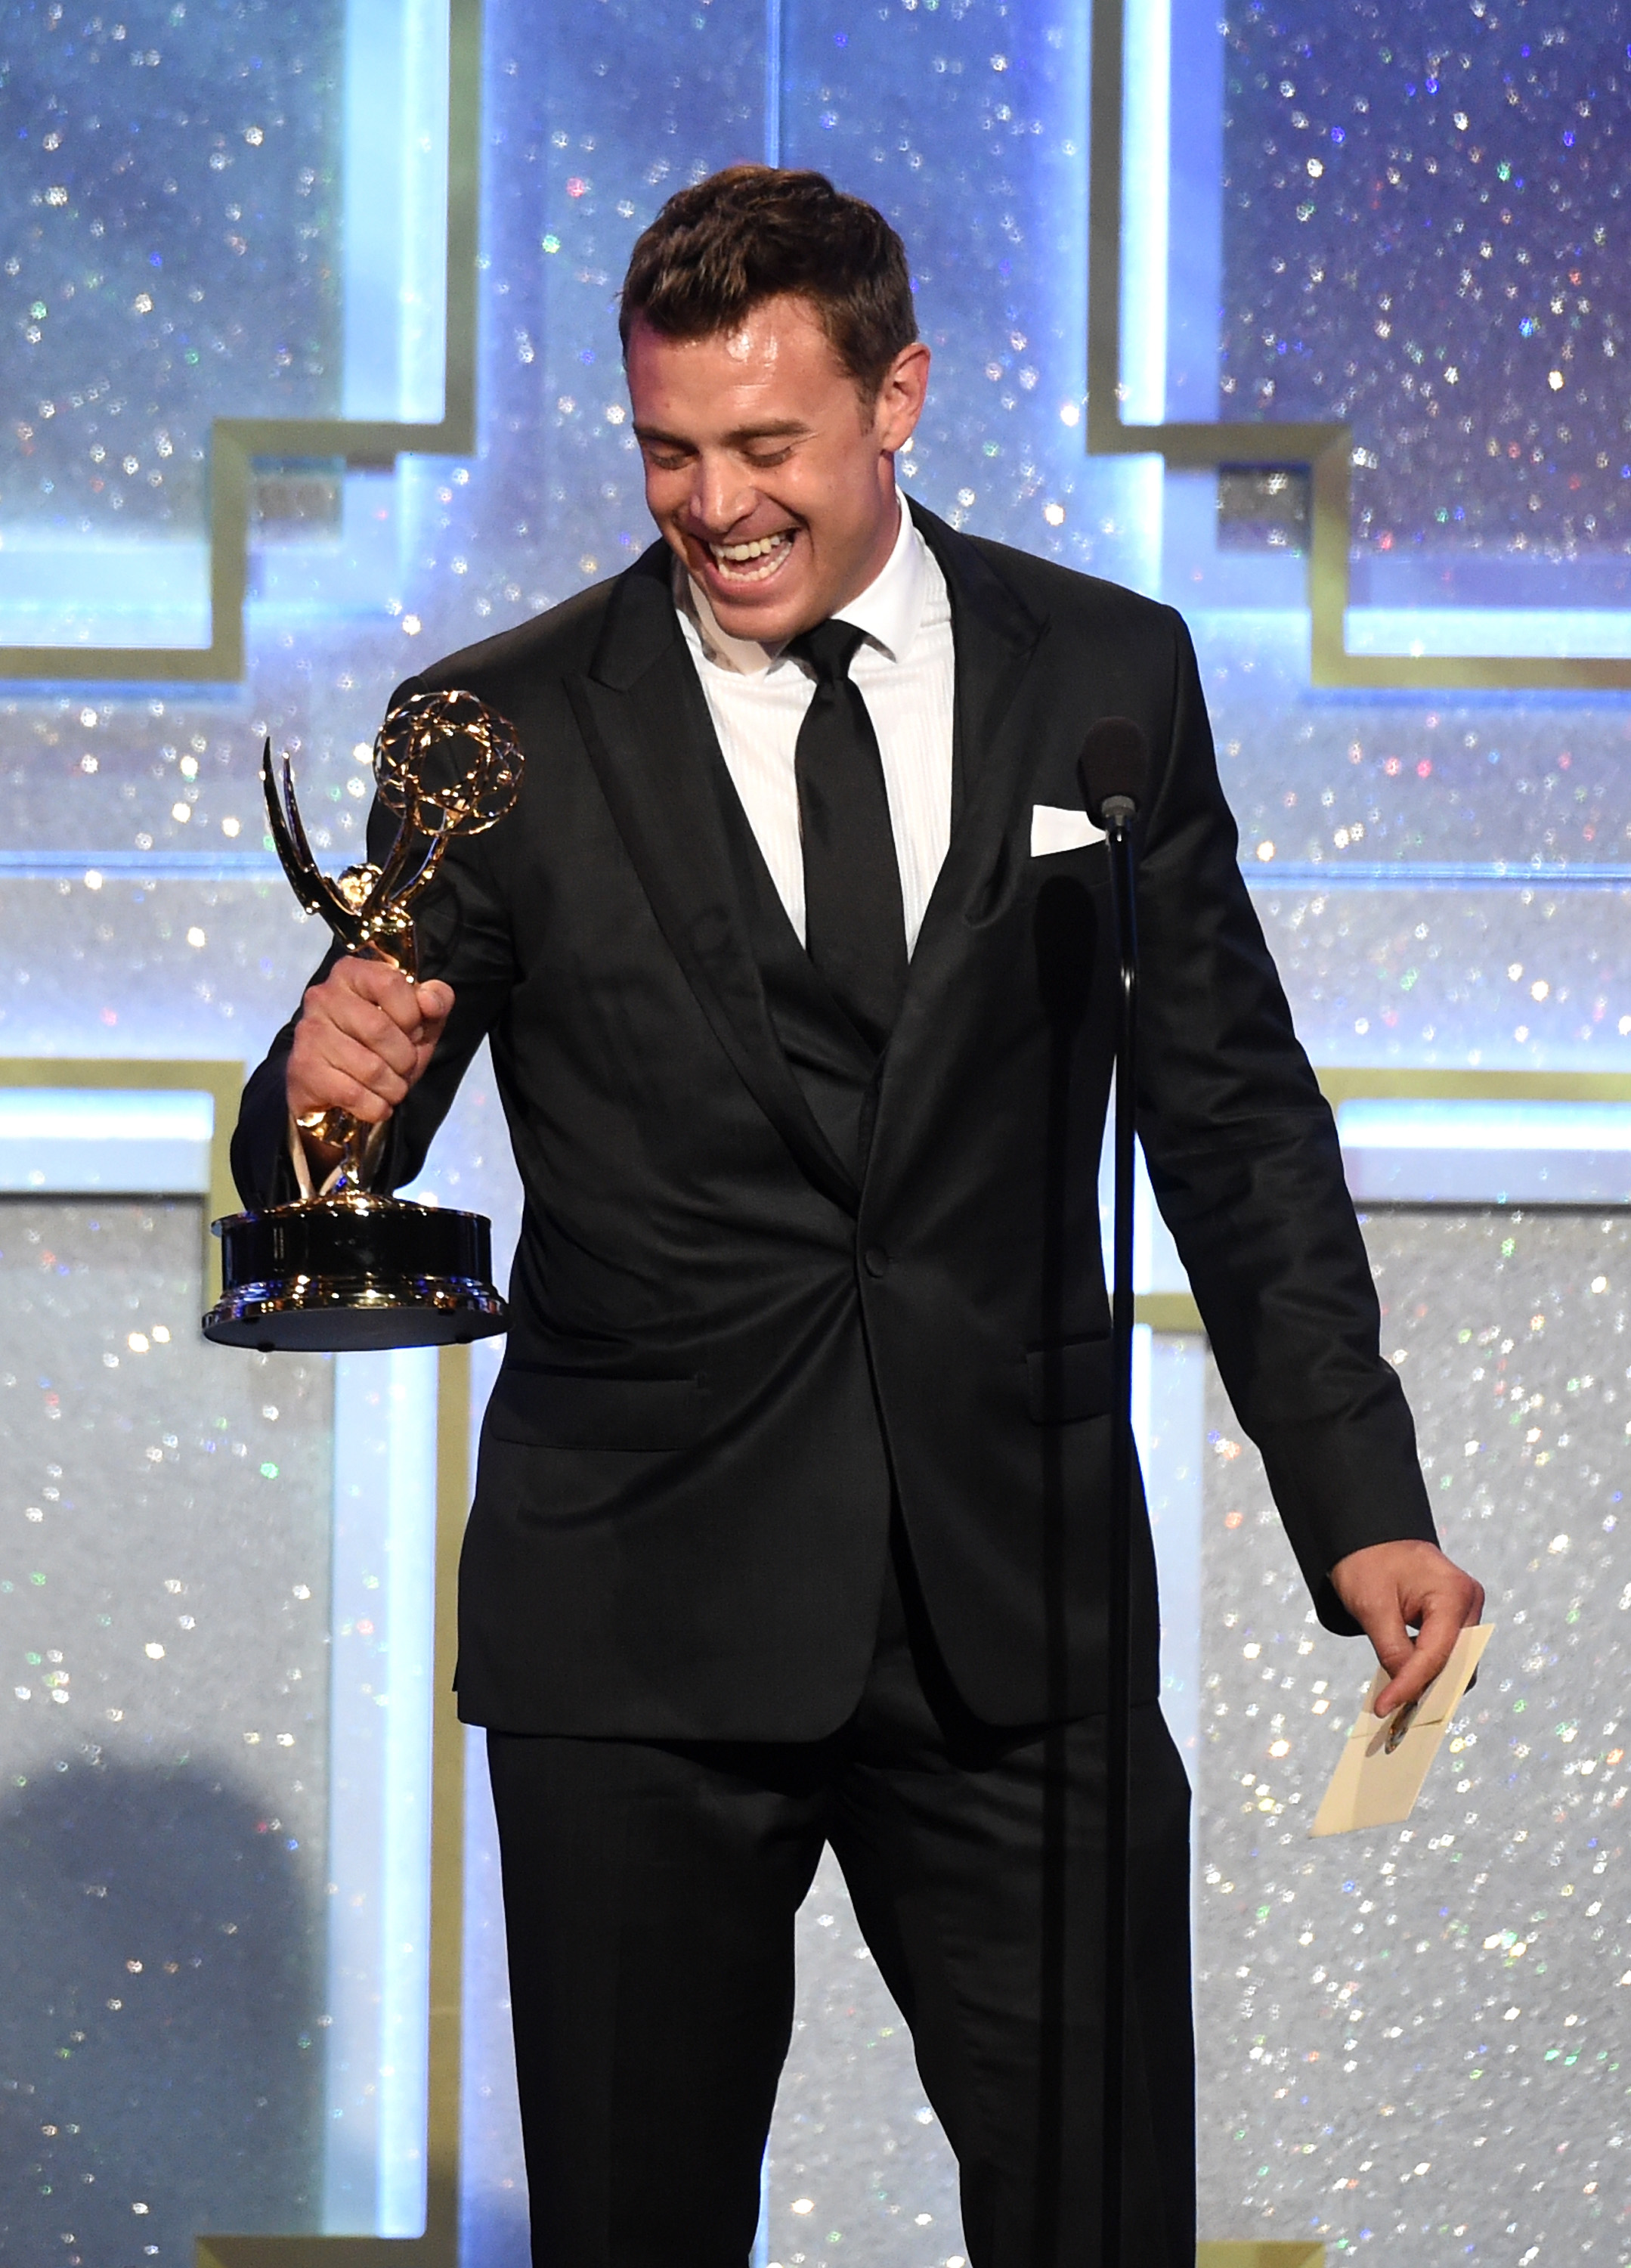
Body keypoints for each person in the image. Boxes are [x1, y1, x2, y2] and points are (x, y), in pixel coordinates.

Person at [232, 166, 1484, 2266]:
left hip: (1022, 1605)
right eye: (664, 453)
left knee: (1098, 2220)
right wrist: (310, 1095)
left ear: (895, 396)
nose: (711, 507)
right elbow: (355, 1120)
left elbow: (1234, 1118)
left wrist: (1358, 1497)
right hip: (638, 1620)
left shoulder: (1109, 674)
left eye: (762, 447)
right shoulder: (500, 731)